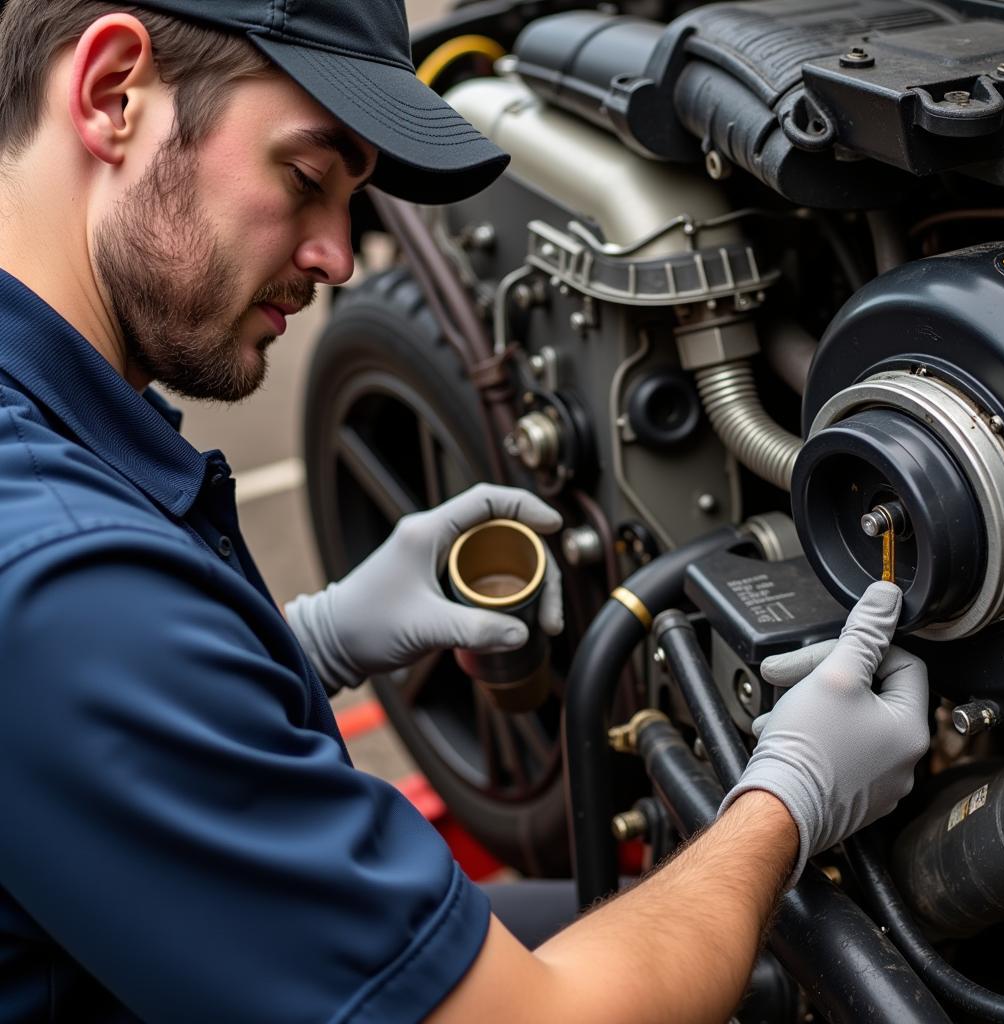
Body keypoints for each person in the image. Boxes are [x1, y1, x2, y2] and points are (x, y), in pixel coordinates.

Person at [0, 1, 931, 1021]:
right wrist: (787, 800)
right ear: (111, 92)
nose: (338, 258)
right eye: (307, 177)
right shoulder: (66, 589)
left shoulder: (53, 448)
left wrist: (302, 644)